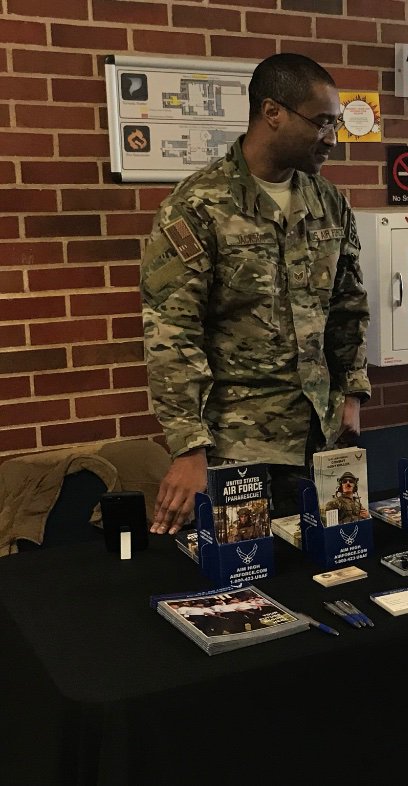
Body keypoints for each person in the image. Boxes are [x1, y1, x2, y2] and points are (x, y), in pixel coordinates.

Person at [141, 53, 371, 533]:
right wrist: (188, 447)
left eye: (337, 124)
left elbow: (348, 308)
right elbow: (172, 335)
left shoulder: (328, 202)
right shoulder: (197, 207)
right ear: (273, 112)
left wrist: (351, 394)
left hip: (321, 437)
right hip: (238, 449)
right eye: (323, 123)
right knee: (250, 582)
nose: (332, 139)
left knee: (329, 572)